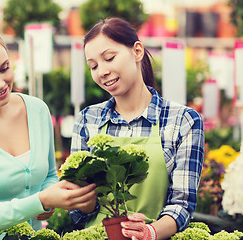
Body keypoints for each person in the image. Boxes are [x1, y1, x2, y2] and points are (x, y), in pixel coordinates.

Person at [0, 22, 97, 239]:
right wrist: (41, 201)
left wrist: (56, 196)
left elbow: (49, 174)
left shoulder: (37, 110)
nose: (0, 83)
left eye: (4, 68)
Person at [69, 17, 205, 240]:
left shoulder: (183, 121)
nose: (102, 71)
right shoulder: (87, 120)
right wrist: (81, 198)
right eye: (93, 66)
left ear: (137, 51)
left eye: (109, 58)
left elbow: (181, 205)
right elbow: (77, 214)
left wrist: (150, 232)